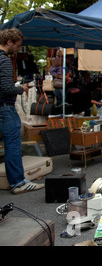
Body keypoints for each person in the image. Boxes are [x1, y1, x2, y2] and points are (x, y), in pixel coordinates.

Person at [0, 28, 44, 194]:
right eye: (17, 45)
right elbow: (6, 88)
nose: (18, 49)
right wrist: (21, 88)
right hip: (5, 107)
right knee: (12, 143)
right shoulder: (3, 60)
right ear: (9, 42)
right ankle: (18, 182)